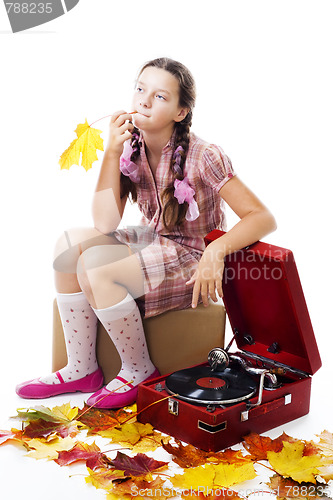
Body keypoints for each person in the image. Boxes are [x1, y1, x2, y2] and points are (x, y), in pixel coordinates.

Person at [16, 57, 276, 408]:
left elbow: (261, 217)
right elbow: (105, 223)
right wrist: (110, 151)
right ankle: (82, 368)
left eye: (160, 96)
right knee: (68, 246)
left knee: (96, 266)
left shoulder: (204, 156)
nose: (144, 100)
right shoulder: (130, 148)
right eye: (140, 89)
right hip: (155, 239)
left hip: (192, 255)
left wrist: (216, 252)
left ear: (181, 112)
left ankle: (139, 369)